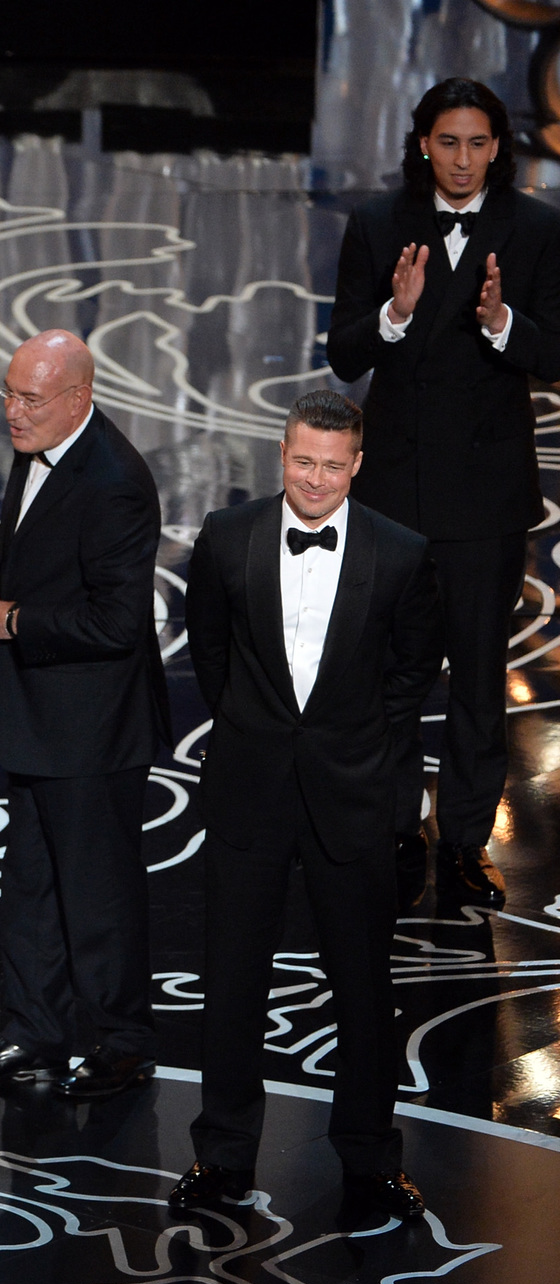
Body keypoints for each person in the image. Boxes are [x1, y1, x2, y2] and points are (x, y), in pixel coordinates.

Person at [174, 389, 442, 1227]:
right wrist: (257, 731)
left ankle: (368, 1161)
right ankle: (221, 1154)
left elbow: (410, 676)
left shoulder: (401, 554)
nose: (317, 479)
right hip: (249, 789)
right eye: (303, 461)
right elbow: (209, 656)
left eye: (334, 465)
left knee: (363, 992)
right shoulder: (226, 538)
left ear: (357, 465)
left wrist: (356, 752)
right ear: (280, 454)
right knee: (231, 985)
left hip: (351, 797)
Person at [326, 77, 560, 912]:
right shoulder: (378, 223)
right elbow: (345, 351)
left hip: (488, 501)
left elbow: (557, 349)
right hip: (394, 496)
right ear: (423, 142)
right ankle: (395, 831)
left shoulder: (537, 229)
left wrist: (503, 325)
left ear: (499, 148)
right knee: (394, 674)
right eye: (447, 142)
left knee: (477, 682)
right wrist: (394, 313)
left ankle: (464, 840)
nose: (462, 160)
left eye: (478, 144)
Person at [0, 329, 169, 1101]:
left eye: (29, 397)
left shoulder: (115, 481)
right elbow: (21, 545)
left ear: (78, 398)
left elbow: (116, 625)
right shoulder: (38, 442)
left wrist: (12, 622)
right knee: (33, 887)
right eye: (8, 392)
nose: (12, 410)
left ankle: (121, 1042)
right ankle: (34, 1035)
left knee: (96, 895)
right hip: (41, 717)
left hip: (92, 727)